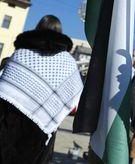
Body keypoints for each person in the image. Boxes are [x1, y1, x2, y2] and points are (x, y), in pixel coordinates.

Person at [0, 15, 83, 163]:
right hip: (40, 134)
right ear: (60, 32)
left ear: (38, 28)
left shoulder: (20, 54)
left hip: (7, 125)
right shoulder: (68, 63)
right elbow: (75, 101)